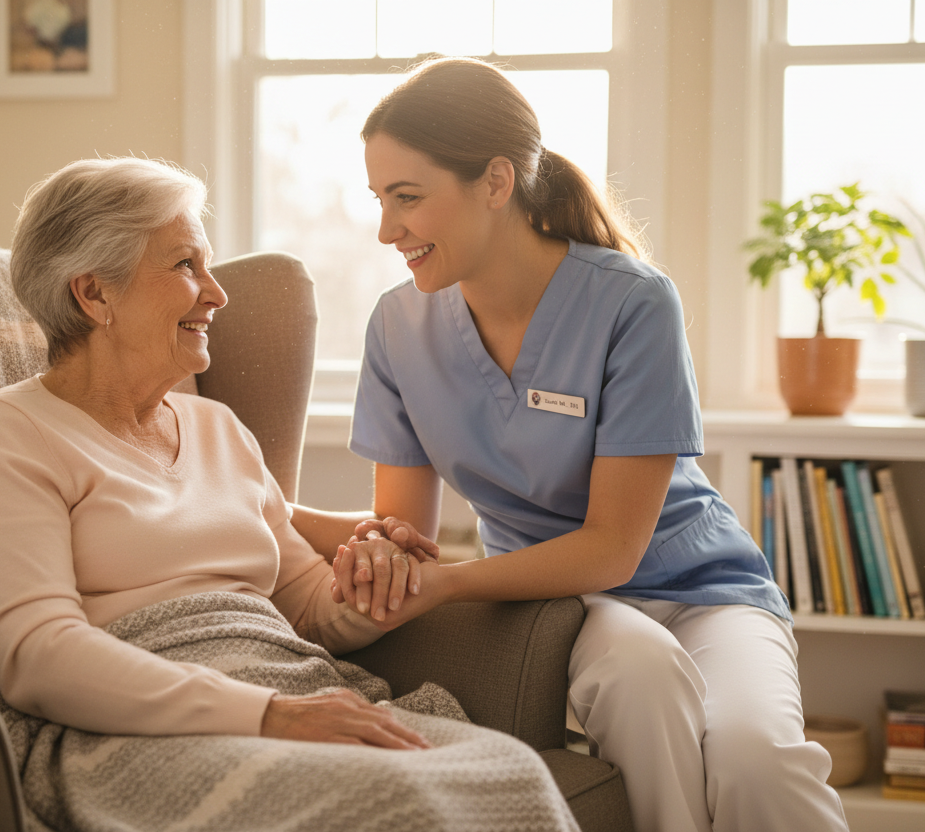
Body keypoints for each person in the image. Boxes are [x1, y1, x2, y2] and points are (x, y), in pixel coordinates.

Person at [0, 156, 578, 831]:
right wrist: (270, 716)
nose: (217, 294)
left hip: (285, 684)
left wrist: (371, 586)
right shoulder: (10, 434)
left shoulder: (218, 428)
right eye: (186, 266)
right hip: (128, 727)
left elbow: (304, 603)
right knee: (393, 803)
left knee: (507, 771)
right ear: (95, 296)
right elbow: (36, 656)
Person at [331, 58, 852, 832]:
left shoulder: (631, 302)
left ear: (496, 181)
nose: (386, 229)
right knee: (647, 692)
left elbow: (611, 547)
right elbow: (403, 530)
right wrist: (344, 540)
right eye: (380, 200)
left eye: (408, 198)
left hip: (703, 592)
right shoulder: (396, 328)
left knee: (757, 759)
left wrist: (445, 584)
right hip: (560, 604)